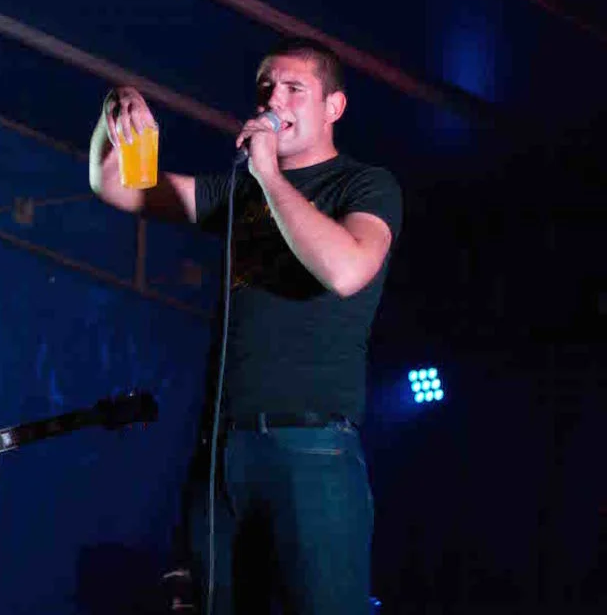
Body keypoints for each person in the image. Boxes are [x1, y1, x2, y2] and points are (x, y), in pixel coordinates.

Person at [89, 38, 402, 614]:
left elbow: (347, 270)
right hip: (225, 449)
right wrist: (117, 113)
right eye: (266, 88)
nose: (273, 100)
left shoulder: (363, 185)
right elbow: (116, 186)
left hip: (311, 447)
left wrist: (270, 177)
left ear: (333, 107)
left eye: (294, 89)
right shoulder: (240, 191)